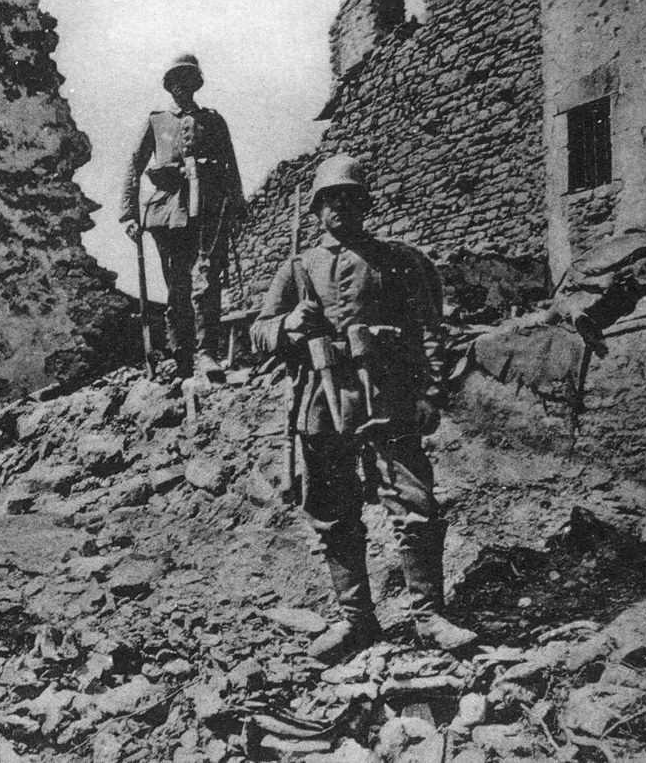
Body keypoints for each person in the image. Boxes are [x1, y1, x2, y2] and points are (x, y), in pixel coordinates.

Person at [251, 155, 478, 662]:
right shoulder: (298, 268)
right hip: (321, 401)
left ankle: (428, 616)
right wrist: (288, 325)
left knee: (413, 501)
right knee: (332, 510)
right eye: (331, 200)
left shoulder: (396, 260)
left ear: (366, 206)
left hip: (388, 395)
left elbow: (428, 329)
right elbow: (258, 333)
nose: (342, 208)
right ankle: (356, 620)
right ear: (317, 209)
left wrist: (430, 392)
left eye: (351, 199)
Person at [121, 53, 246, 380]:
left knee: (207, 281)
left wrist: (236, 208)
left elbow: (230, 166)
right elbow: (134, 166)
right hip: (169, 211)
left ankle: (207, 354)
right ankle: (182, 357)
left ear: (196, 83)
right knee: (177, 286)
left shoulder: (213, 121)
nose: (181, 86)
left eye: (187, 79)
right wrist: (129, 215)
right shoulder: (156, 121)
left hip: (209, 209)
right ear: (169, 86)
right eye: (176, 80)